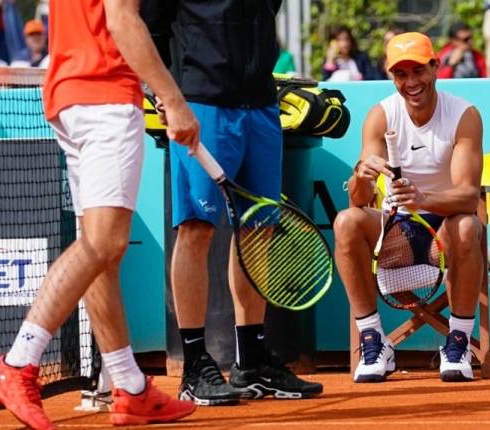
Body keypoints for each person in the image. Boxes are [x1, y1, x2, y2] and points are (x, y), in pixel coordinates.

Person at [0, 0, 201, 427]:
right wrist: (173, 99)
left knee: (103, 254)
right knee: (104, 243)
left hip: (70, 96)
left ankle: (131, 387)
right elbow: (120, 19)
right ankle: (18, 360)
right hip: (105, 97)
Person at [144, 0, 324, 405]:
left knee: (258, 229)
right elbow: (147, 27)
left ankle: (252, 361)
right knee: (196, 228)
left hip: (261, 102)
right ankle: (193, 365)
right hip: (201, 102)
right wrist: (165, 94)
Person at [334, 31, 485, 383]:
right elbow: (357, 200)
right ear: (392, 77)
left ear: (434, 67)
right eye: (401, 74)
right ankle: (374, 340)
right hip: (396, 230)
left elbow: (468, 197)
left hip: (446, 227)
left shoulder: (464, 115)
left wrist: (423, 199)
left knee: (467, 225)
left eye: (418, 71)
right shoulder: (380, 116)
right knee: (346, 223)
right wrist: (361, 175)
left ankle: (458, 341)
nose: (411, 82)